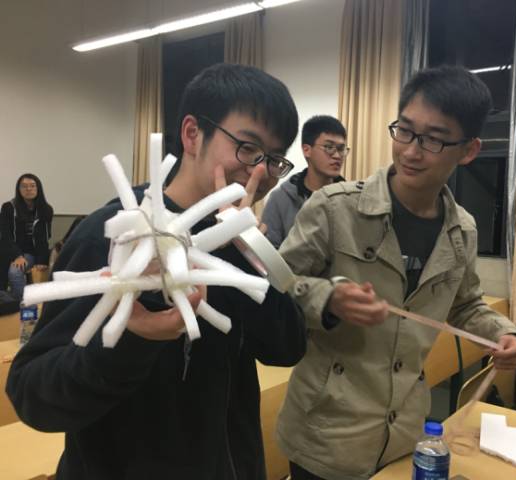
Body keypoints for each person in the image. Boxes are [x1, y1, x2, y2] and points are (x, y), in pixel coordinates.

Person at [7, 64, 306, 479]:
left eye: (274, 160)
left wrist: (242, 251)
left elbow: (286, 348)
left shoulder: (244, 242)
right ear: (192, 134)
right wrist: (132, 339)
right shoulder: (114, 234)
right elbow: (33, 395)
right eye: (247, 148)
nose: (260, 171)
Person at [276, 66, 516, 479]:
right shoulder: (334, 208)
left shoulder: (462, 230)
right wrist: (328, 298)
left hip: (404, 431)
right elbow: (276, 286)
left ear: (468, 150)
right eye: (405, 131)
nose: (411, 151)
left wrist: (507, 334)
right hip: (326, 430)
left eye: (433, 139)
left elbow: (466, 305)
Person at [262, 115, 348, 248]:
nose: (337, 156)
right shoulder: (280, 199)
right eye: (329, 147)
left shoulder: (351, 198)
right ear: (307, 150)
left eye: (341, 149)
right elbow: (270, 252)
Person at [0, 173, 53, 302]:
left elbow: (45, 237)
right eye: (24, 186)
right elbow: (5, 235)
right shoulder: (8, 208)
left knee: (15, 272)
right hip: (10, 251)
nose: (28, 189)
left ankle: (21, 303)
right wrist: (17, 255)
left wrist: (42, 259)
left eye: (32, 186)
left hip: (31, 253)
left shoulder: (46, 209)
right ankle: (13, 301)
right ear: (19, 189)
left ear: (38, 188)